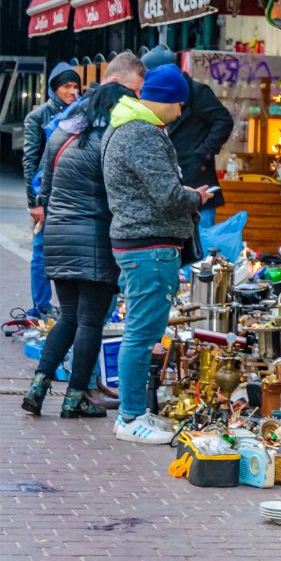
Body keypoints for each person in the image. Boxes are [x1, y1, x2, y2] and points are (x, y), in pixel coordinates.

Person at [21, 53, 146, 418]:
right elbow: (119, 192)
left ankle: (38, 385)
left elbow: (44, 184)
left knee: (68, 317)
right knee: (90, 321)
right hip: (93, 237)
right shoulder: (110, 138)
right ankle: (75, 397)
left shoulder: (61, 131)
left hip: (58, 235)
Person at [102, 63, 212, 444]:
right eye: (178, 104)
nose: (180, 112)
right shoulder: (142, 133)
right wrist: (194, 197)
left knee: (141, 329)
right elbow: (166, 195)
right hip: (148, 244)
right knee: (141, 333)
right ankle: (130, 417)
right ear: (164, 100)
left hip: (139, 242)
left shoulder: (124, 126)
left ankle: (135, 413)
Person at [141, 46, 233, 227]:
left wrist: (204, 151)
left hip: (196, 175)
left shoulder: (197, 92)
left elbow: (223, 120)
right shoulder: (158, 97)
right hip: (174, 181)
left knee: (201, 237)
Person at [23, 62, 81, 318]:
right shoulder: (39, 117)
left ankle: (70, 309)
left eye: (75, 86)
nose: (73, 91)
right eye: (67, 86)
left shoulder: (81, 113)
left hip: (71, 193)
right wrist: (34, 202)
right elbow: (30, 161)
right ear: (54, 88)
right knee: (41, 251)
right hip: (45, 195)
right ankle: (41, 306)